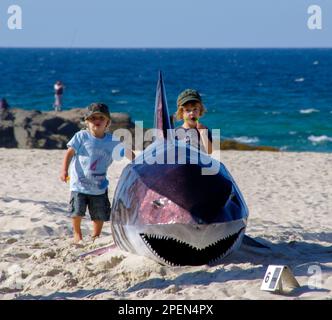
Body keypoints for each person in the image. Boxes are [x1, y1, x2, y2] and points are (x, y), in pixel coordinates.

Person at [60, 102, 135, 244]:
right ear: (87, 122)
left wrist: (136, 162)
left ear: (108, 122)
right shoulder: (81, 136)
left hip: (99, 186)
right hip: (78, 184)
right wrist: (64, 170)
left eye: (101, 118)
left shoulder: (112, 140)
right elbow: (69, 153)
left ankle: (96, 235)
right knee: (77, 212)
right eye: (93, 118)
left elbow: (126, 152)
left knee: (99, 214)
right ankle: (77, 234)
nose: (97, 121)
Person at [174, 89, 213, 154]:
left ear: (200, 111)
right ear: (181, 113)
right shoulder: (175, 133)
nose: (192, 113)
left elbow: (210, 152)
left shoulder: (204, 130)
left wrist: (203, 134)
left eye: (195, 109)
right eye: (187, 110)